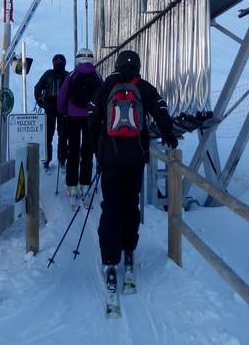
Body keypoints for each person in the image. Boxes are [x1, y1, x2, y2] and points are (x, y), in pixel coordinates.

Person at [89, 49, 177, 307]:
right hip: (135, 159)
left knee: (111, 208)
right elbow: (161, 110)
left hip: (110, 159)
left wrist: (97, 151)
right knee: (130, 205)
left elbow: (92, 118)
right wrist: (169, 135)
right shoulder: (144, 87)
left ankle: (109, 259)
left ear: (117, 64)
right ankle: (128, 250)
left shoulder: (107, 86)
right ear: (137, 66)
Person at [57, 48, 102, 208]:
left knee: (74, 151)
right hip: (91, 117)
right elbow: (103, 95)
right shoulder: (97, 76)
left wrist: (62, 111)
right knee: (87, 152)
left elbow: (62, 96)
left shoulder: (72, 75)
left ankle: (72, 186)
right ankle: (85, 183)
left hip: (73, 116)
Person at [34, 54, 68, 169]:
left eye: (60, 60)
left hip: (63, 108)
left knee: (63, 134)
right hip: (50, 107)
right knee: (48, 135)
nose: (58, 62)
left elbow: (72, 91)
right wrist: (39, 100)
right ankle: (47, 160)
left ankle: (62, 159)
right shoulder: (48, 74)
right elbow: (38, 87)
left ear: (64, 62)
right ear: (53, 62)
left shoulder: (67, 75)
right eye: (56, 60)